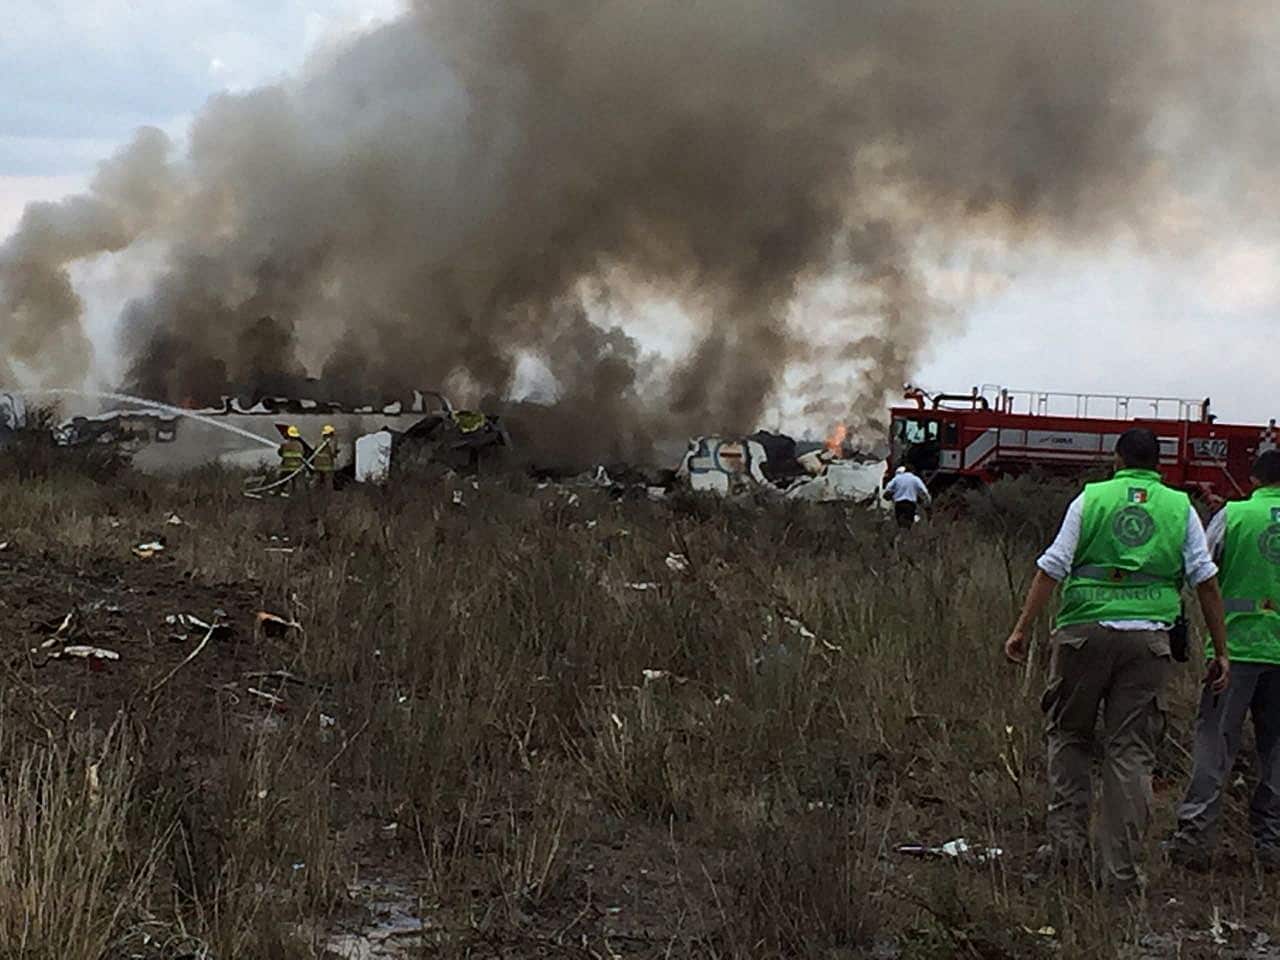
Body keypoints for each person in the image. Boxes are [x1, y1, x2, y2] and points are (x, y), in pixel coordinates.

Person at [1004, 427, 1230, 892]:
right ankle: (1120, 873)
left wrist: (1023, 627)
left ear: (1117, 459)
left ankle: (1066, 854)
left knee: (1069, 737)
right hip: (1148, 643)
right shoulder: (1178, 507)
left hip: (1082, 636)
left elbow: (1052, 566)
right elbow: (1205, 580)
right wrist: (1221, 649)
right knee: (1130, 753)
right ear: (1159, 464)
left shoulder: (1090, 500)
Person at [1167, 450, 1280, 869]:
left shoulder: (1234, 516)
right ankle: (1271, 844)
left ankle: (1194, 841)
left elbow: (1203, 572)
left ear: (1253, 480)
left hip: (1235, 651)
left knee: (1215, 743)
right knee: (1276, 750)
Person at [883, 464, 931, 529]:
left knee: (900, 524)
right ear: (913, 471)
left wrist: (889, 495)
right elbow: (924, 491)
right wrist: (927, 504)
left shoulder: (897, 478)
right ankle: (906, 535)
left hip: (899, 504)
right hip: (910, 505)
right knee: (908, 524)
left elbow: (888, 489)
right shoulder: (915, 479)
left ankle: (900, 534)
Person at [277, 425, 306, 496]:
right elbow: (302, 454)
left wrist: (281, 448)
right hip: (296, 467)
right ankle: (295, 493)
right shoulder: (300, 445)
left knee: (282, 481)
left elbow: (280, 454)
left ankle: (279, 491)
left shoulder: (285, 444)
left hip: (286, 467)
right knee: (295, 482)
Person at [313, 424, 338, 490]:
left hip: (317, 465)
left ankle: (313, 495)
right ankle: (328, 497)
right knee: (328, 483)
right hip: (327, 466)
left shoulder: (318, 442)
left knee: (316, 482)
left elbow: (315, 452)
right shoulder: (331, 442)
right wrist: (335, 453)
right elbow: (332, 453)